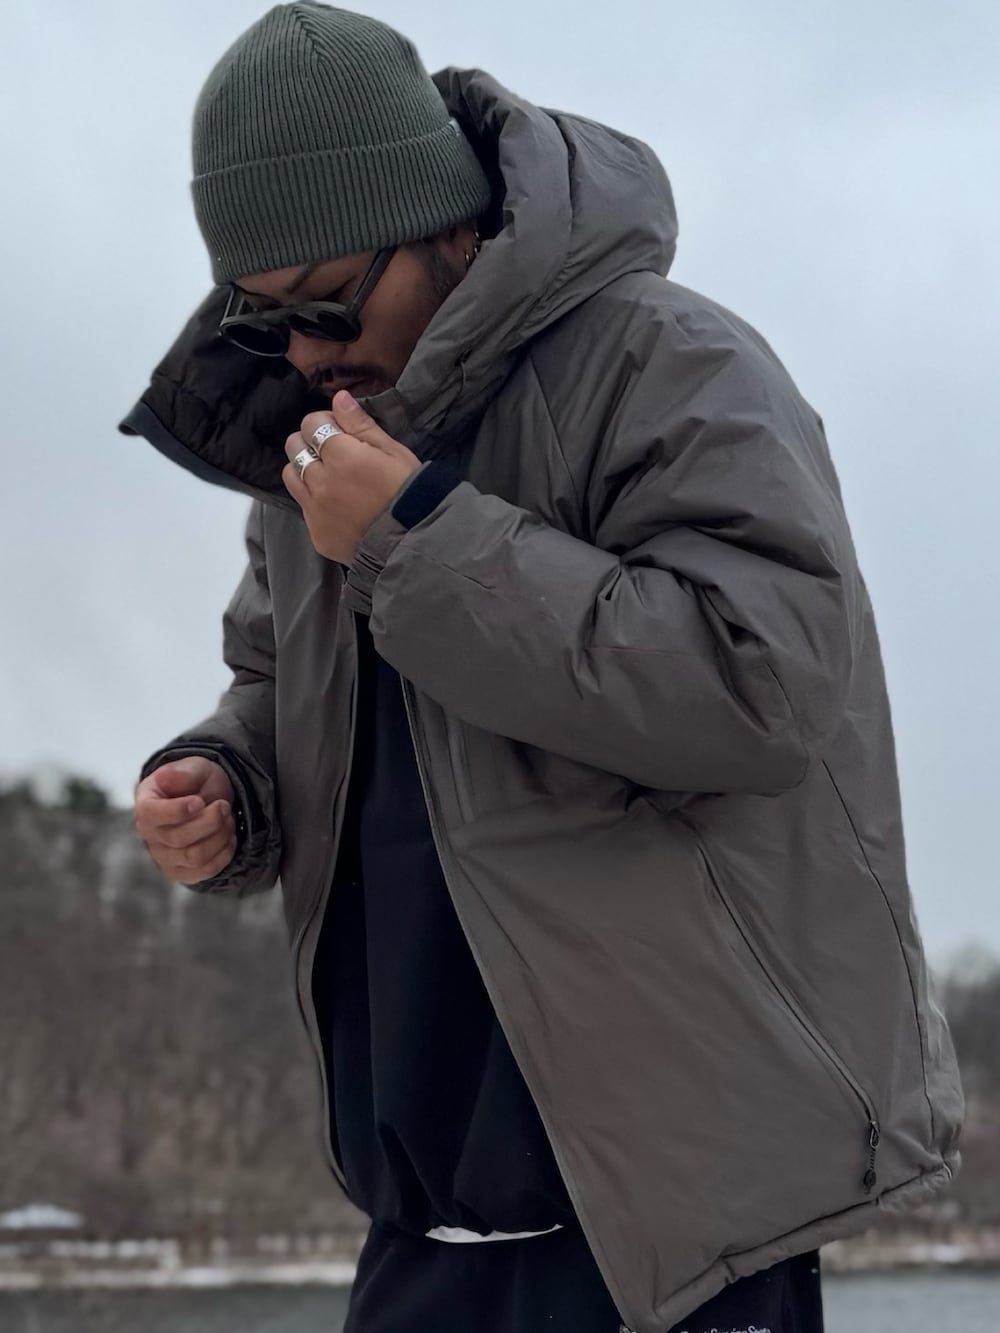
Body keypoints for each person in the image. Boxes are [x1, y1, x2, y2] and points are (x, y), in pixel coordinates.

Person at [126, 5, 963, 1331]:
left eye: (326, 300)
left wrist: (414, 536)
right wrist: (228, 784)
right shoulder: (316, 442)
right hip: (421, 1223)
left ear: (444, 224)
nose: (303, 353)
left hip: (674, 1246)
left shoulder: (674, 365)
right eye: (258, 322)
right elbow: (278, 685)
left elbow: (764, 686)